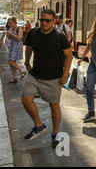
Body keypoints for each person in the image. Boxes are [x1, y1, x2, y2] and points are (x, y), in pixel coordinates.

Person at [21, 9, 73, 148]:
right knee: (26, 99)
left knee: (54, 106)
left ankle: (55, 134)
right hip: (35, 75)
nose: (44, 23)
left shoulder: (60, 37)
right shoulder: (33, 33)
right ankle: (39, 125)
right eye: (42, 20)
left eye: (47, 20)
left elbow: (69, 56)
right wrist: (27, 62)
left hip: (53, 78)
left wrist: (65, 74)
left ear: (54, 21)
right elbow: (29, 48)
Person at [0, 17, 26, 83]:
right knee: (12, 63)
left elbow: (19, 39)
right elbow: (9, 38)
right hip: (12, 46)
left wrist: (11, 34)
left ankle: (21, 71)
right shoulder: (11, 29)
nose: (9, 24)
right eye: (9, 23)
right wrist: (7, 34)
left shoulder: (19, 29)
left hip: (17, 46)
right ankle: (14, 78)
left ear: (15, 22)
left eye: (10, 23)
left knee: (11, 61)